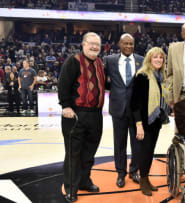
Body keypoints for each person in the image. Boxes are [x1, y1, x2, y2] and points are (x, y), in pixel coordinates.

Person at [58, 32, 105, 202]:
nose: (94, 47)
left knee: (89, 153)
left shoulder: (100, 63)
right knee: (73, 154)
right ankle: (71, 188)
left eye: (97, 44)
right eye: (91, 43)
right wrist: (66, 105)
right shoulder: (73, 61)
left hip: (95, 115)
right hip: (76, 114)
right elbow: (63, 83)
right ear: (83, 44)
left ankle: (85, 181)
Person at [104, 33, 143, 187]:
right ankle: (121, 173)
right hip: (118, 108)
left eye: (131, 44)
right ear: (119, 44)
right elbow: (105, 82)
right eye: (125, 43)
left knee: (137, 142)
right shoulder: (110, 60)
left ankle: (134, 170)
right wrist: (116, 91)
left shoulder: (141, 60)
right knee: (119, 143)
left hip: (136, 110)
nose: (128, 46)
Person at [130, 47, 170, 196]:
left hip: (156, 122)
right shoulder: (142, 76)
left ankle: (146, 179)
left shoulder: (161, 77)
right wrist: (138, 125)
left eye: (161, 57)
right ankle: (143, 180)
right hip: (144, 122)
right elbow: (135, 103)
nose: (158, 60)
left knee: (149, 152)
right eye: (155, 57)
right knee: (144, 152)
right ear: (149, 59)